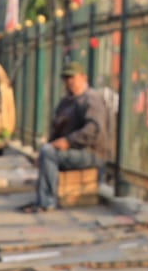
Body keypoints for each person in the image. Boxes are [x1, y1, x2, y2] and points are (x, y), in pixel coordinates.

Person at [26, 61, 112, 212]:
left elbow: (93, 130)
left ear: (83, 78)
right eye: (66, 78)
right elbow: (56, 130)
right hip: (72, 151)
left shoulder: (91, 99)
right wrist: (50, 146)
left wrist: (69, 141)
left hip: (91, 152)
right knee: (46, 151)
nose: (69, 82)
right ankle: (43, 199)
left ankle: (47, 201)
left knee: (49, 154)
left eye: (72, 77)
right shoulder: (66, 102)